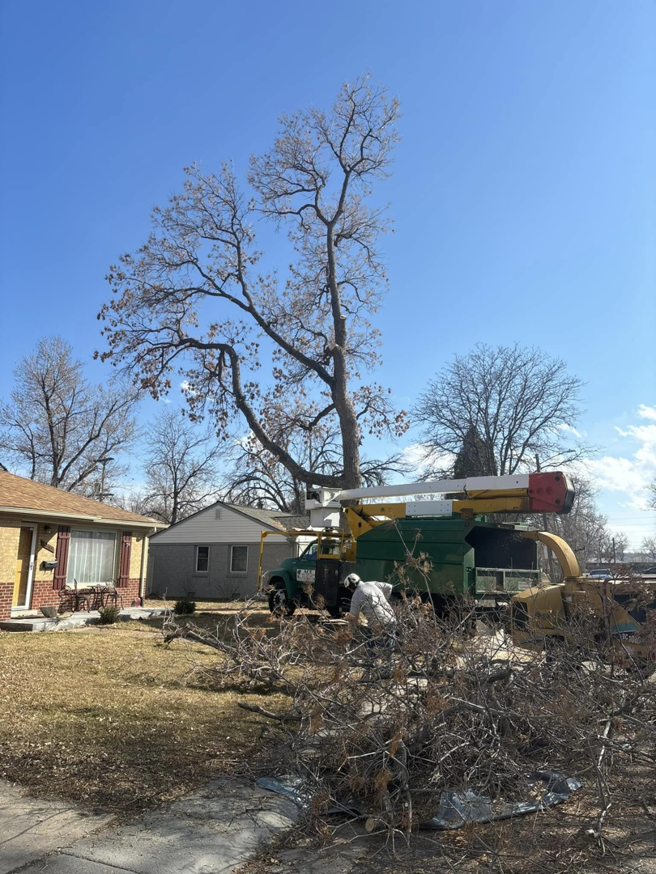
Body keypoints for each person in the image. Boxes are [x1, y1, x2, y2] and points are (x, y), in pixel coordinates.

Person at [344, 573, 396, 676]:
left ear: (351, 587)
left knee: (371, 645)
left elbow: (353, 618)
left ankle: (371, 671)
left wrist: (348, 634)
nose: (350, 591)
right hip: (391, 617)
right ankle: (389, 671)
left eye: (349, 588)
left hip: (378, 623)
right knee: (389, 647)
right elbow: (389, 587)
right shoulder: (372, 584)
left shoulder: (356, 595)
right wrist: (382, 602)